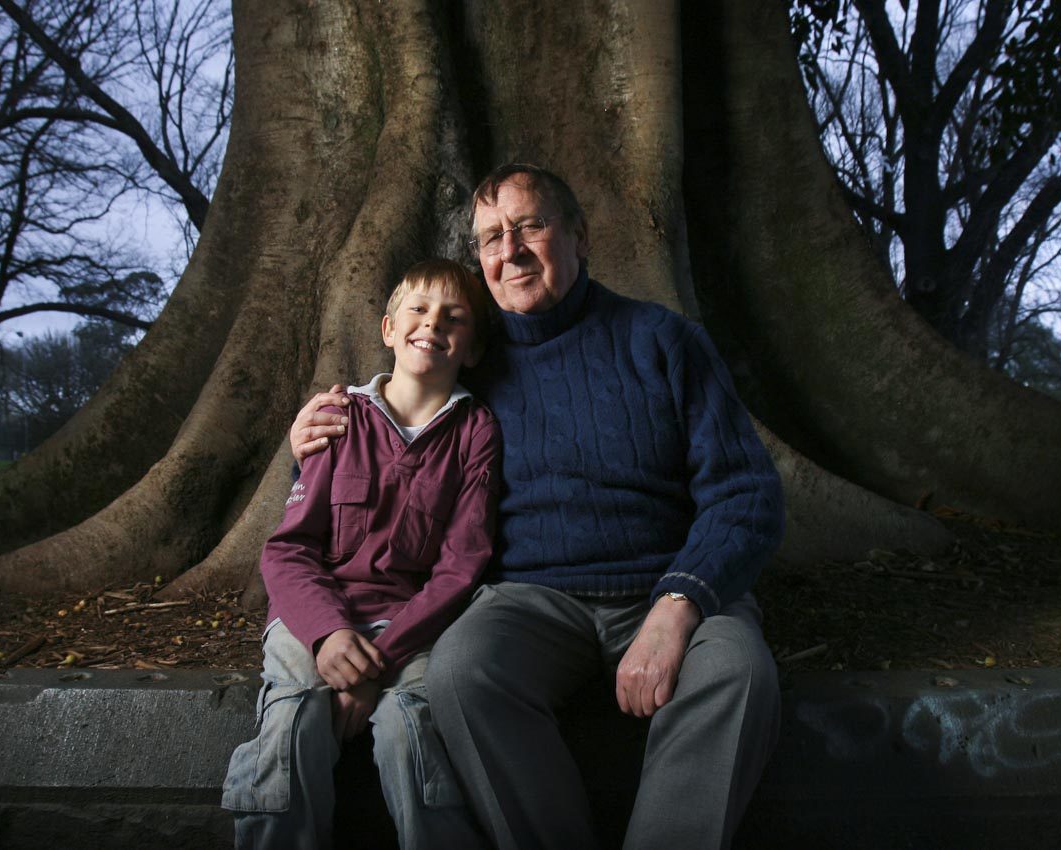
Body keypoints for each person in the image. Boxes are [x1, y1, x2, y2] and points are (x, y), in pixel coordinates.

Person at [290, 164, 783, 850]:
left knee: (739, 669)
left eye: (531, 226)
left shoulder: (663, 341)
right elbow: (385, 457)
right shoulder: (468, 366)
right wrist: (311, 441)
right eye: (491, 237)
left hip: (667, 585)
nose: (510, 249)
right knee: (463, 671)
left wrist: (678, 605)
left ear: (580, 237)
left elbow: (745, 494)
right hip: (531, 599)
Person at [223, 258, 498, 850]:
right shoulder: (339, 416)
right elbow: (288, 550)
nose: (433, 324)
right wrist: (327, 636)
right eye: (418, 310)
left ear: (472, 348)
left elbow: (460, 567)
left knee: (410, 730)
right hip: (312, 616)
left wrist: (375, 664)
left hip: (412, 626)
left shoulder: (476, 432)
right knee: (294, 724)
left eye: (455, 317)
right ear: (388, 329)